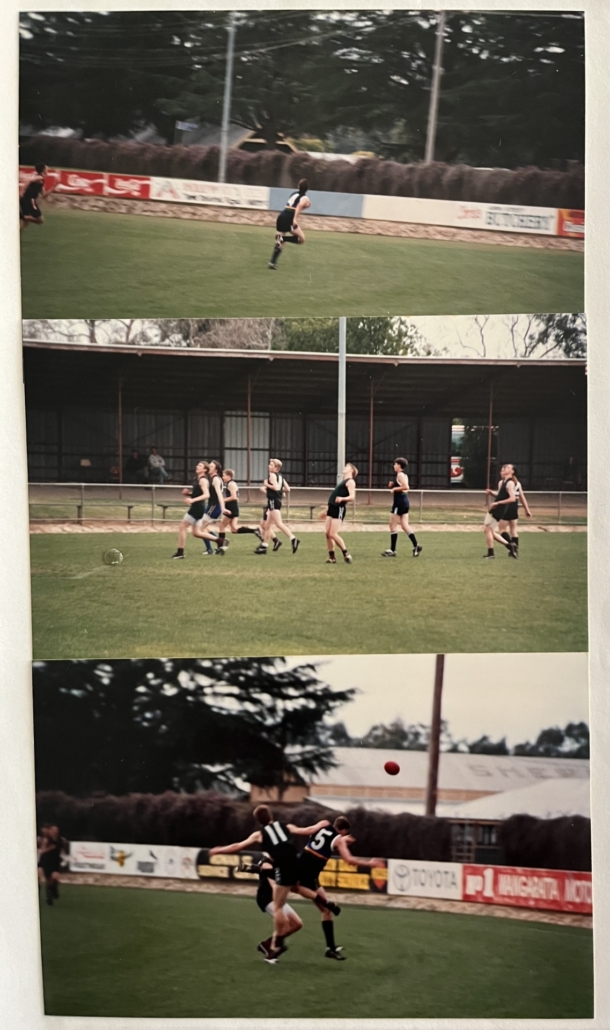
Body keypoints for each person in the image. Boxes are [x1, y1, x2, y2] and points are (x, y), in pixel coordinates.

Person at [209, 805, 332, 962]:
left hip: (284, 883)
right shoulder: (270, 856)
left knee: (296, 924)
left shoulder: (260, 835)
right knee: (283, 915)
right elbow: (307, 830)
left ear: (258, 821)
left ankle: (269, 944)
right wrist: (321, 824)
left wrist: (218, 850)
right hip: (267, 898)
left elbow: (237, 846)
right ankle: (275, 946)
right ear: (271, 816)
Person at [296, 816, 385, 960]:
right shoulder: (338, 840)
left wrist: (291, 828)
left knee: (325, 910)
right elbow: (349, 860)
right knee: (321, 904)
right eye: (344, 833)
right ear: (343, 830)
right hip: (308, 874)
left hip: (303, 866)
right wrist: (370, 863)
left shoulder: (324, 824)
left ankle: (330, 948)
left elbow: (308, 830)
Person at [254, 459, 300, 555]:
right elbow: (287, 489)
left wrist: (266, 484)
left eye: (271, 465)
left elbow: (275, 487)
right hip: (276, 501)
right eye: (270, 464)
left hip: (273, 501)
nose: (269, 466)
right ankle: (264, 546)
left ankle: (293, 539)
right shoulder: (280, 476)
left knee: (279, 524)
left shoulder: (272, 475)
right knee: (267, 526)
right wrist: (279, 492)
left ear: (276, 468)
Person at [171, 460, 214, 559]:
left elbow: (207, 495)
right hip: (196, 507)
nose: (197, 466)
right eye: (198, 464)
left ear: (204, 470)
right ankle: (219, 540)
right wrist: (188, 494)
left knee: (182, 527)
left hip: (197, 507)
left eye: (200, 465)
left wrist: (192, 500)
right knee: (197, 533)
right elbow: (198, 493)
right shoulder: (196, 479)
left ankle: (180, 552)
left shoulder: (203, 480)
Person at [381, 457, 423, 558]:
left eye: (395, 464)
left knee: (392, 526)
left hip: (399, 503)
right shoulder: (403, 475)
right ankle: (416, 545)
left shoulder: (400, 474)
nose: (394, 466)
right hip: (405, 502)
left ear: (399, 465)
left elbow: (406, 487)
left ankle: (392, 550)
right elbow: (403, 486)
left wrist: (394, 488)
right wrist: (393, 485)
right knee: (404, 526)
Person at [214, 469, 263, 554]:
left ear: (229, 476)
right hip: (232, 507)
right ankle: (254, 530)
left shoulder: (231, 484)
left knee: (221, 526)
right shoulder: (230, 484)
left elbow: (234, 497)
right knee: (234, 529)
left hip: (232, 508)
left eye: (224, 475)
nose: (222, 477)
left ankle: (221, 547)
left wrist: (222, 500)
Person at [268, 179, 311, 270]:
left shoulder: (293, 194)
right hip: (289, 218)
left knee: (280, 241)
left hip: (282, 215)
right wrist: (295, 219)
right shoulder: (305, 198)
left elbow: (295, 206)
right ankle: (282, 239)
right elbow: (298, 207)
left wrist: (305, 206)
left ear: (298, 186)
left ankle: (272, 262)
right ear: (307, 189)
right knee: (301, 239)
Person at [483, 464, 519, 559]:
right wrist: (492, 493)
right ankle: (510, 545)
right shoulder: (503, 482)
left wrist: (497, 503)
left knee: (488, 530)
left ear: (512, 472)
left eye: (508, 468)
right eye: (504, 468)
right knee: (489, 531)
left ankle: (492, 554)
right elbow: (501, 495)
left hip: (499, 509)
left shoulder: (510, 483)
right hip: (497, 509)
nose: (504, 469)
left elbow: (512, 498)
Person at [325, 463, 358, 564]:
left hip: (339, 508)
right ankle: (332, 558)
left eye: (347, 466)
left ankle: (346, 554)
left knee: (332, 534)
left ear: (351, 470)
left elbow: (352, 497)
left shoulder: (350, 482)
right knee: (327, 534)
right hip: (332, 508)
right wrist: (326, 510)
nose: (344, 467)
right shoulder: (343, 481)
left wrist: (342, 499)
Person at [498, 468, 532, 557]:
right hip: (514, 507)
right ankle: (515, 551)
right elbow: (522, 497)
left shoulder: (502, 483)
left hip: (506, 507)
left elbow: (500, 496)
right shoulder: (518, 483)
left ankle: (511, 547)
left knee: (502, 530)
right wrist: (527, 509)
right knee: (513, 531)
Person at [192, 460, 224, 549]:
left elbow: (219, 494)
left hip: (214, 507)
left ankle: (217, 545)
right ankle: (218, 544)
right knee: (202, 528)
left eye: (212, 467)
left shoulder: (216, 479)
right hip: (212, 506)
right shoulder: (212, 478)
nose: (209, 468)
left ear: (216, 470)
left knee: (200, 529)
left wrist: (223, 507)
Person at [20, 163, 58, 230]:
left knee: (26, 222)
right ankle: (19, 215)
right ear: (43, 170)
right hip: (29, 199)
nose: (48, 169)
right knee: (40, 220)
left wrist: (54, 186)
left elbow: (44, 195)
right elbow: (28, 181)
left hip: (26, 199)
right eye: (47, 168)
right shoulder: (40, 177)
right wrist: (21, 192)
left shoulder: (41, 180)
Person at [38, 825, 68, 905]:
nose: (54, 832)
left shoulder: (61, 840)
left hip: (55, 862)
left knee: (54, 878)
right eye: (53, 830)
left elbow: (64, 850)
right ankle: (48, 897)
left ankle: (54, 891)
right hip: (46, 861)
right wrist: (50, 848)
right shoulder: (46, 840)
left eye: (56, 830)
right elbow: (42, 851)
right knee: (46, 879)